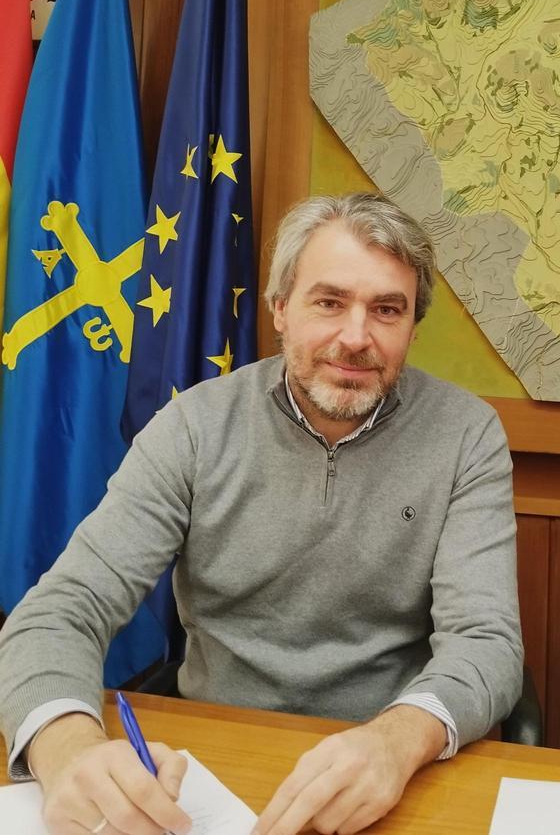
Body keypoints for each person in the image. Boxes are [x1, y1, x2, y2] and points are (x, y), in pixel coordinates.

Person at [0, 193, 524, 835]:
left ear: (413, 325)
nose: (356, 337)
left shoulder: (466, 435)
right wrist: (67, 750)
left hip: (390, 771)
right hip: (214, 767)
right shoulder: (194, 427)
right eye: (328, 302)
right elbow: (61, 609)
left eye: (386, 310)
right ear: (280, 308)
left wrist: (396, 741)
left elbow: (487, 643)